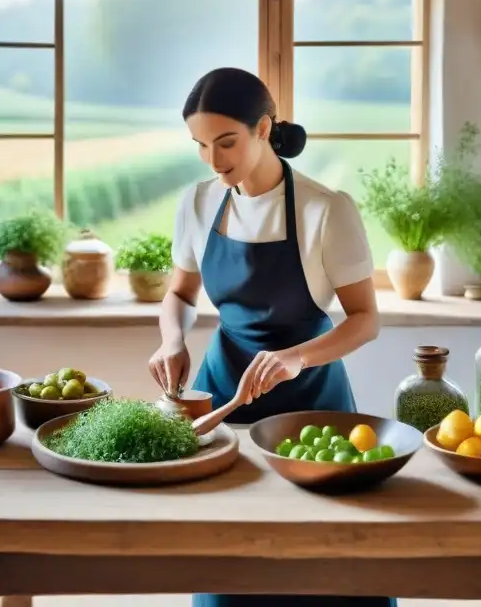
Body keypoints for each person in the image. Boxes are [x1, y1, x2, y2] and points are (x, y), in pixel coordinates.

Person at [148, 67, 393, 607]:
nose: (214, 160)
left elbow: (364, 319)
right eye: (201, 145)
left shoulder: (326, 209)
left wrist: (293, 359)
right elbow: (181, 296)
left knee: (330, 560)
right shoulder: (197, 203)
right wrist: (172, 340)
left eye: (227, 141)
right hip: (224, 391)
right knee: (230, 558)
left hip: (311, 395)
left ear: (264, 129)